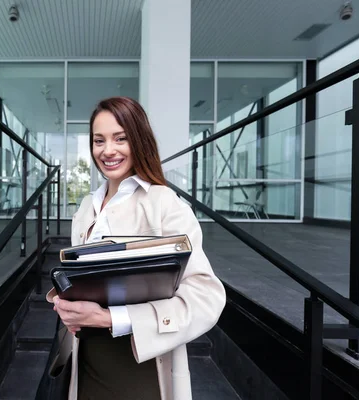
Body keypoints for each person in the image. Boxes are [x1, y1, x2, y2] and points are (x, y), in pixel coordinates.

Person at [46, 96, 226, 400]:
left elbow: (206, 298)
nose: (108, 150)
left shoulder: (165, 205)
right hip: (85, 358)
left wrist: (110, 318)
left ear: (139, 141)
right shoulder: (87, 208)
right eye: (98, 140)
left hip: (139, 367)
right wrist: (65, 302)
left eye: (121, 138)